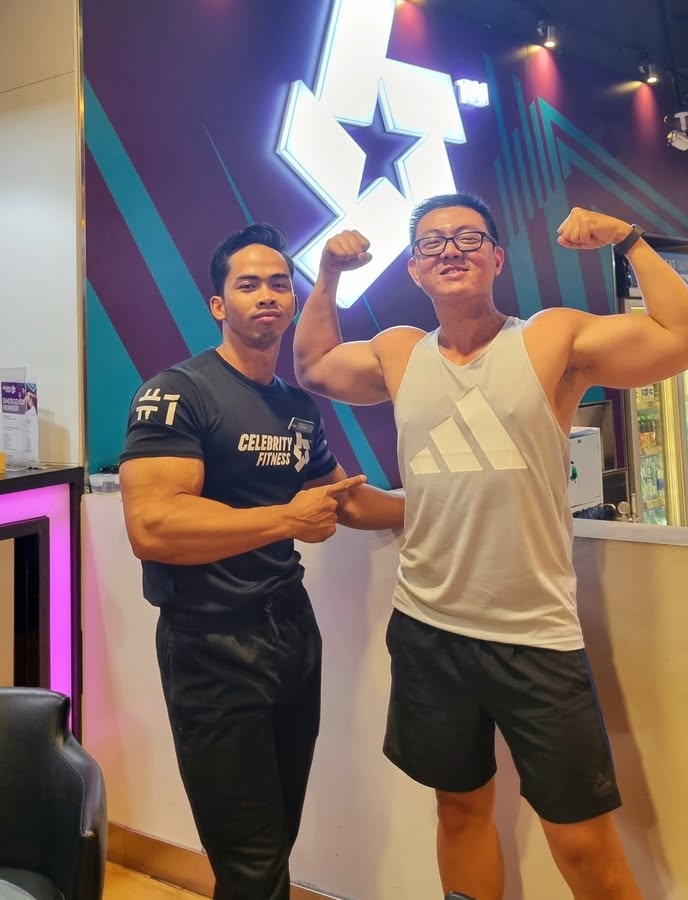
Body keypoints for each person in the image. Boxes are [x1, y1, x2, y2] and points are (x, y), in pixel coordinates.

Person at [292, 194, 688, 900]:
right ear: (415, 271)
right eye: (432, 243)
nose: (450, 250)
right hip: (429, 628)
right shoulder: (400, 351)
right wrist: (330, 276)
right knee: (460, 812)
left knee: (583, 845)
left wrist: (629, 239)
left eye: (468, 238)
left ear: (496, 258)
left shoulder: (549, 339)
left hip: (534, 635)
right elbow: (313, 367)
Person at [119, 223, 404, 900]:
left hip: (291, 633)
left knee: (274, 841)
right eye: (248, 285)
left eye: (279, 283)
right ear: (219, 304)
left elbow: (341, 498)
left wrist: (438, 504)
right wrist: (286, 521)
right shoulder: (177, 392)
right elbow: (153, 525)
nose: (268, 295)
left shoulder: (293, 405)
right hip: (211, 642)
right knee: (249, 859)